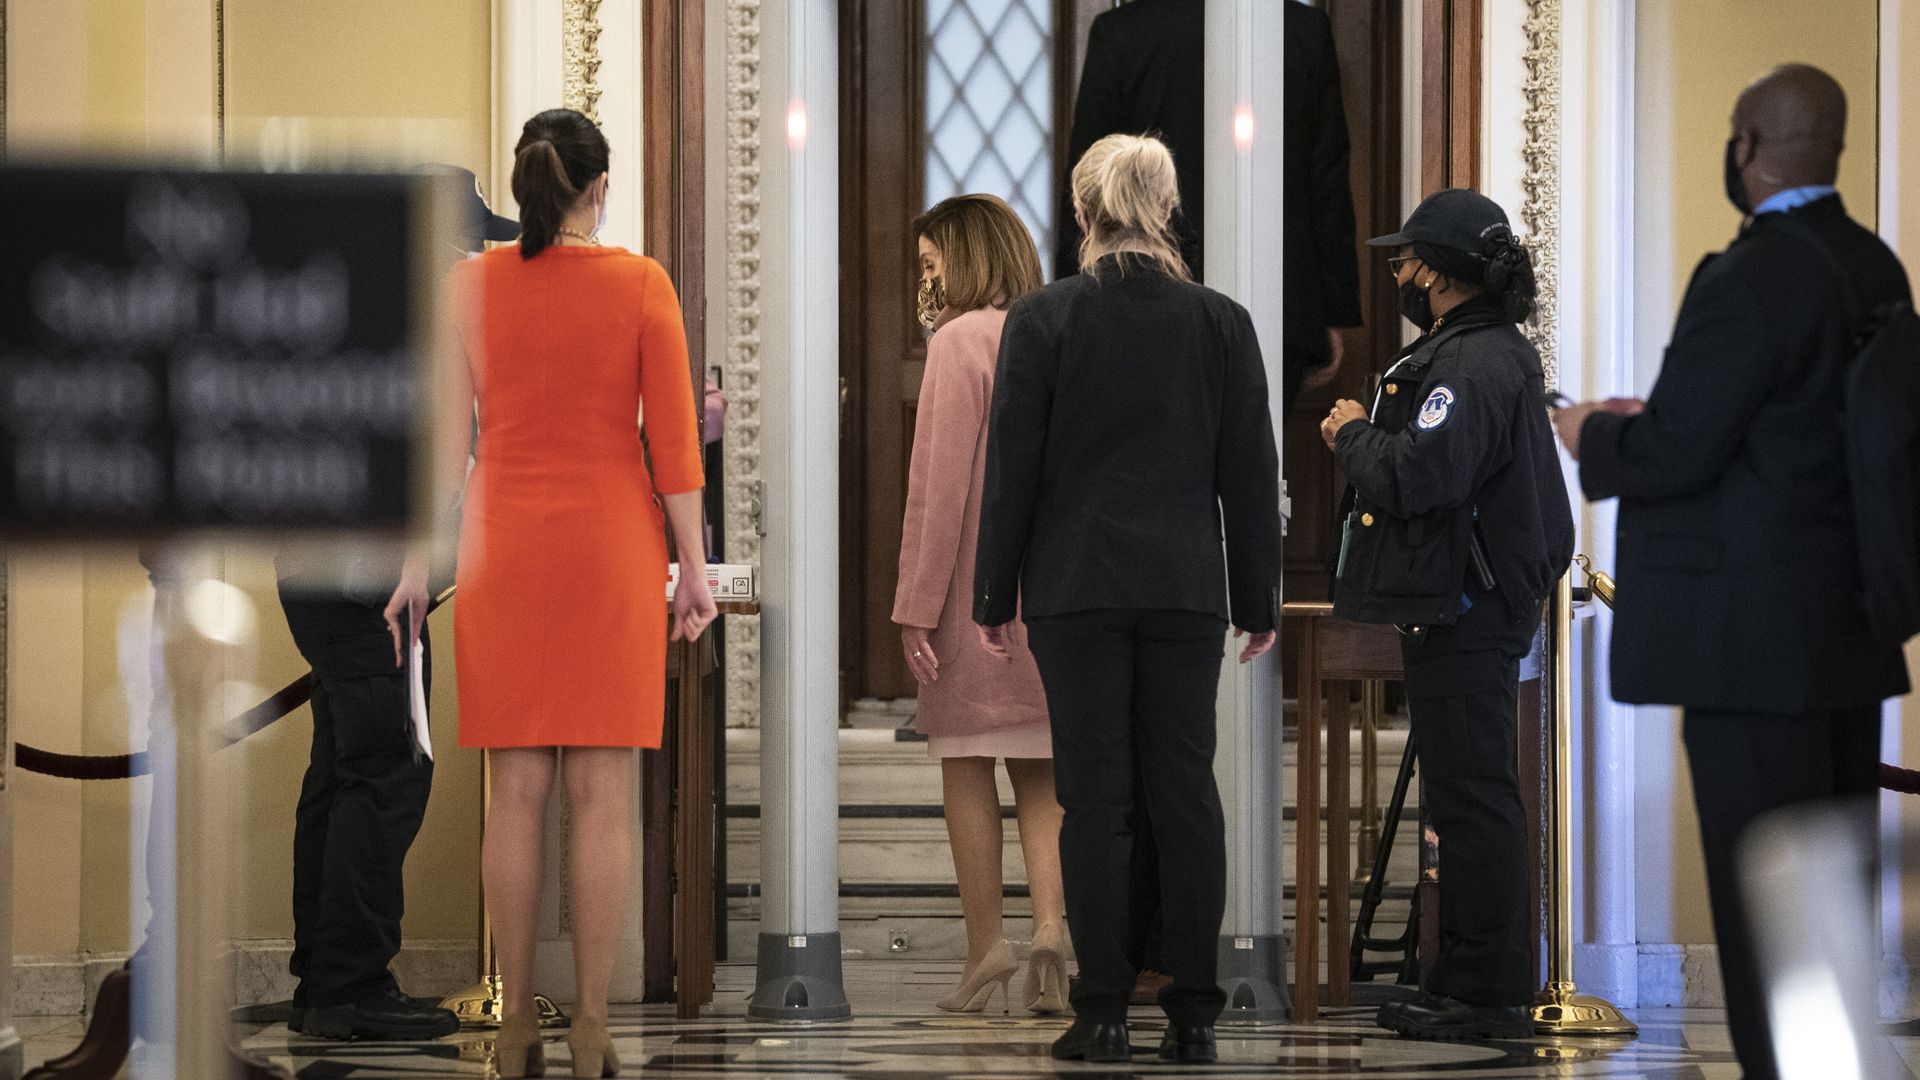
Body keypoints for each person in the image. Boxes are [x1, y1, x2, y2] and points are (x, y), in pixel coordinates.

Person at [1553, 65, 1912, 1080]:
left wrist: (1593, 434)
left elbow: (1678, 450)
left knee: (1767, 913)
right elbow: (1800, 435)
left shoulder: (1749, 275)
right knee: (1832, 910)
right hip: (1847, 632)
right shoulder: (1874, 266)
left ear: (1749, 147)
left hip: (1747, 649)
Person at [975, 133, 1282, 1065]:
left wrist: (993, 592)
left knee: (1095, 799)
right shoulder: (1221, 322)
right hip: (1185, 589)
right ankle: (1194, 1013)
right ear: (1169, 210)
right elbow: (1249, 473)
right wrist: (1258, 600)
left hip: (1076, 587)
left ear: (1082, 213)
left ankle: (1103, 1010)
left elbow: (1014, 469)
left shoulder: (1044, 318)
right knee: (1185, 793)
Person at [432, 107, 715, 1079]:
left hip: (501, 545)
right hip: (609, 548)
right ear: (599, 188)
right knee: (601, 795)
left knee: (514, 794)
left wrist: (409, 569)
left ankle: (515, 1022)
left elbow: (442, 449)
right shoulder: (641, 284)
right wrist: (693, 568)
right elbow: (674, 443)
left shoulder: (468, 288)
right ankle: (591, 1022)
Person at [270, 168, 518, 1043]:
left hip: (316, 566)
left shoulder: (351, 306)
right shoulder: (422, 322)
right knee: (386, 775)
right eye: (467, 244)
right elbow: (428, 465)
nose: (474, 261)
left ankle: (322, 979)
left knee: (342, 771)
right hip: (371, 578)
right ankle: (350, 987)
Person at [1321, 187, 1572, 1041]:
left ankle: (1488, 990)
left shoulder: (1470, 363)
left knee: (1474, 799)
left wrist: (1352, 434)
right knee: (1464, 798)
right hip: (1466, 604)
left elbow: (1420, 475)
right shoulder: (1481, 352)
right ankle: (1464, 979)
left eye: (1405, 258)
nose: (1397, 271)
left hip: (1468, 608)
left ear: (1436, 271)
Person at [894, 193, 1068, 1016]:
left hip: (971, 591)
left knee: (964, 762)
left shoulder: (958, 342)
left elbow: (939, 488)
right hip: (1050, 588)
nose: (925, 281)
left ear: (965, 258)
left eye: (931, 264)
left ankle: (986, 946)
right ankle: (1053, 930)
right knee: (1042, 766)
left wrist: (915, 605)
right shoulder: (1051, 332)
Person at [1055, 0, 1360, 402]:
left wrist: (1070, 296)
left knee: (1153, 433)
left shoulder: (1123, 32)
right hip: (1277, 297)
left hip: (1142, 293)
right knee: (1257, 436)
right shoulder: (1303, 28)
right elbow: (1327, 177)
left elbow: (1089, 177)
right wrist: (1332, 309)